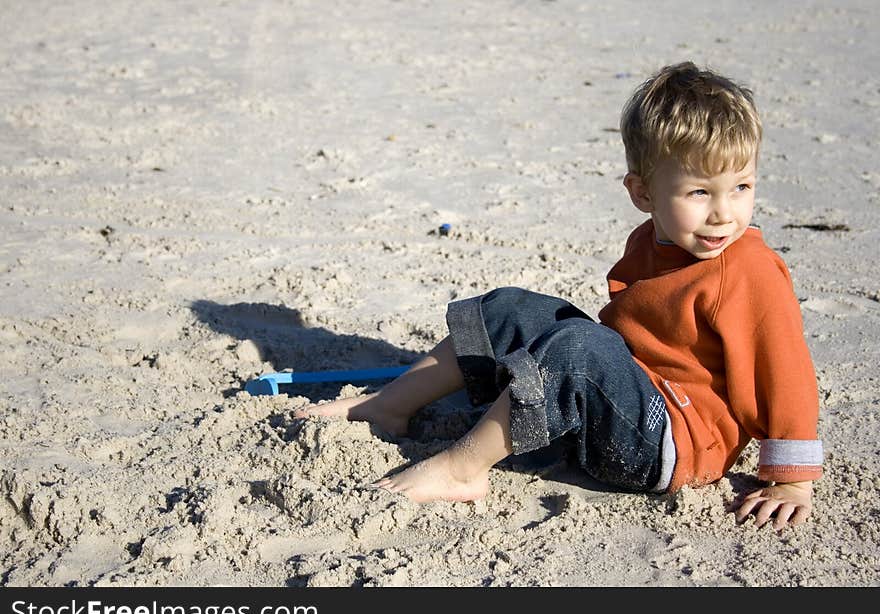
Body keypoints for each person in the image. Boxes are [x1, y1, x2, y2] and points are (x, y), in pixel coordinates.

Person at [294, 61, 822, 530]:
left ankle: (461, 470)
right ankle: (391, 406)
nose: (724, 213)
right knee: (512, 309)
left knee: (576, 349)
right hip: (628, 401)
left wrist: (792, 478)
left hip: (674, 442)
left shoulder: (748, 268)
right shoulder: (653, 239)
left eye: (742, 188)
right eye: (699, 192)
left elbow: (786, 369)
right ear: (643, 194)